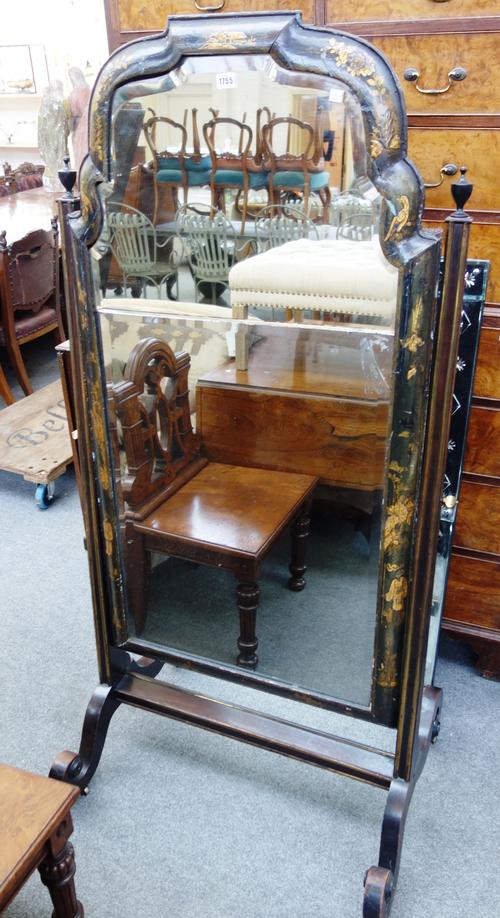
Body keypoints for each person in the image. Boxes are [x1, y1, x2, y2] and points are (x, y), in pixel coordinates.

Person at [37, 81, 69, 191]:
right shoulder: (60, 103)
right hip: (55, 136)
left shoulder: (47, 104)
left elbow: (41, 126)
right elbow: (66, 123)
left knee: (57, 158)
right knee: (57, 158)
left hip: (53, 136)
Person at [68, 67, 91, 176]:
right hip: (77, 126)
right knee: (78, 154)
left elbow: (85, 110)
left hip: (83, 126)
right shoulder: (77, 90)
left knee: (83, 152)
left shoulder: (83, 90)